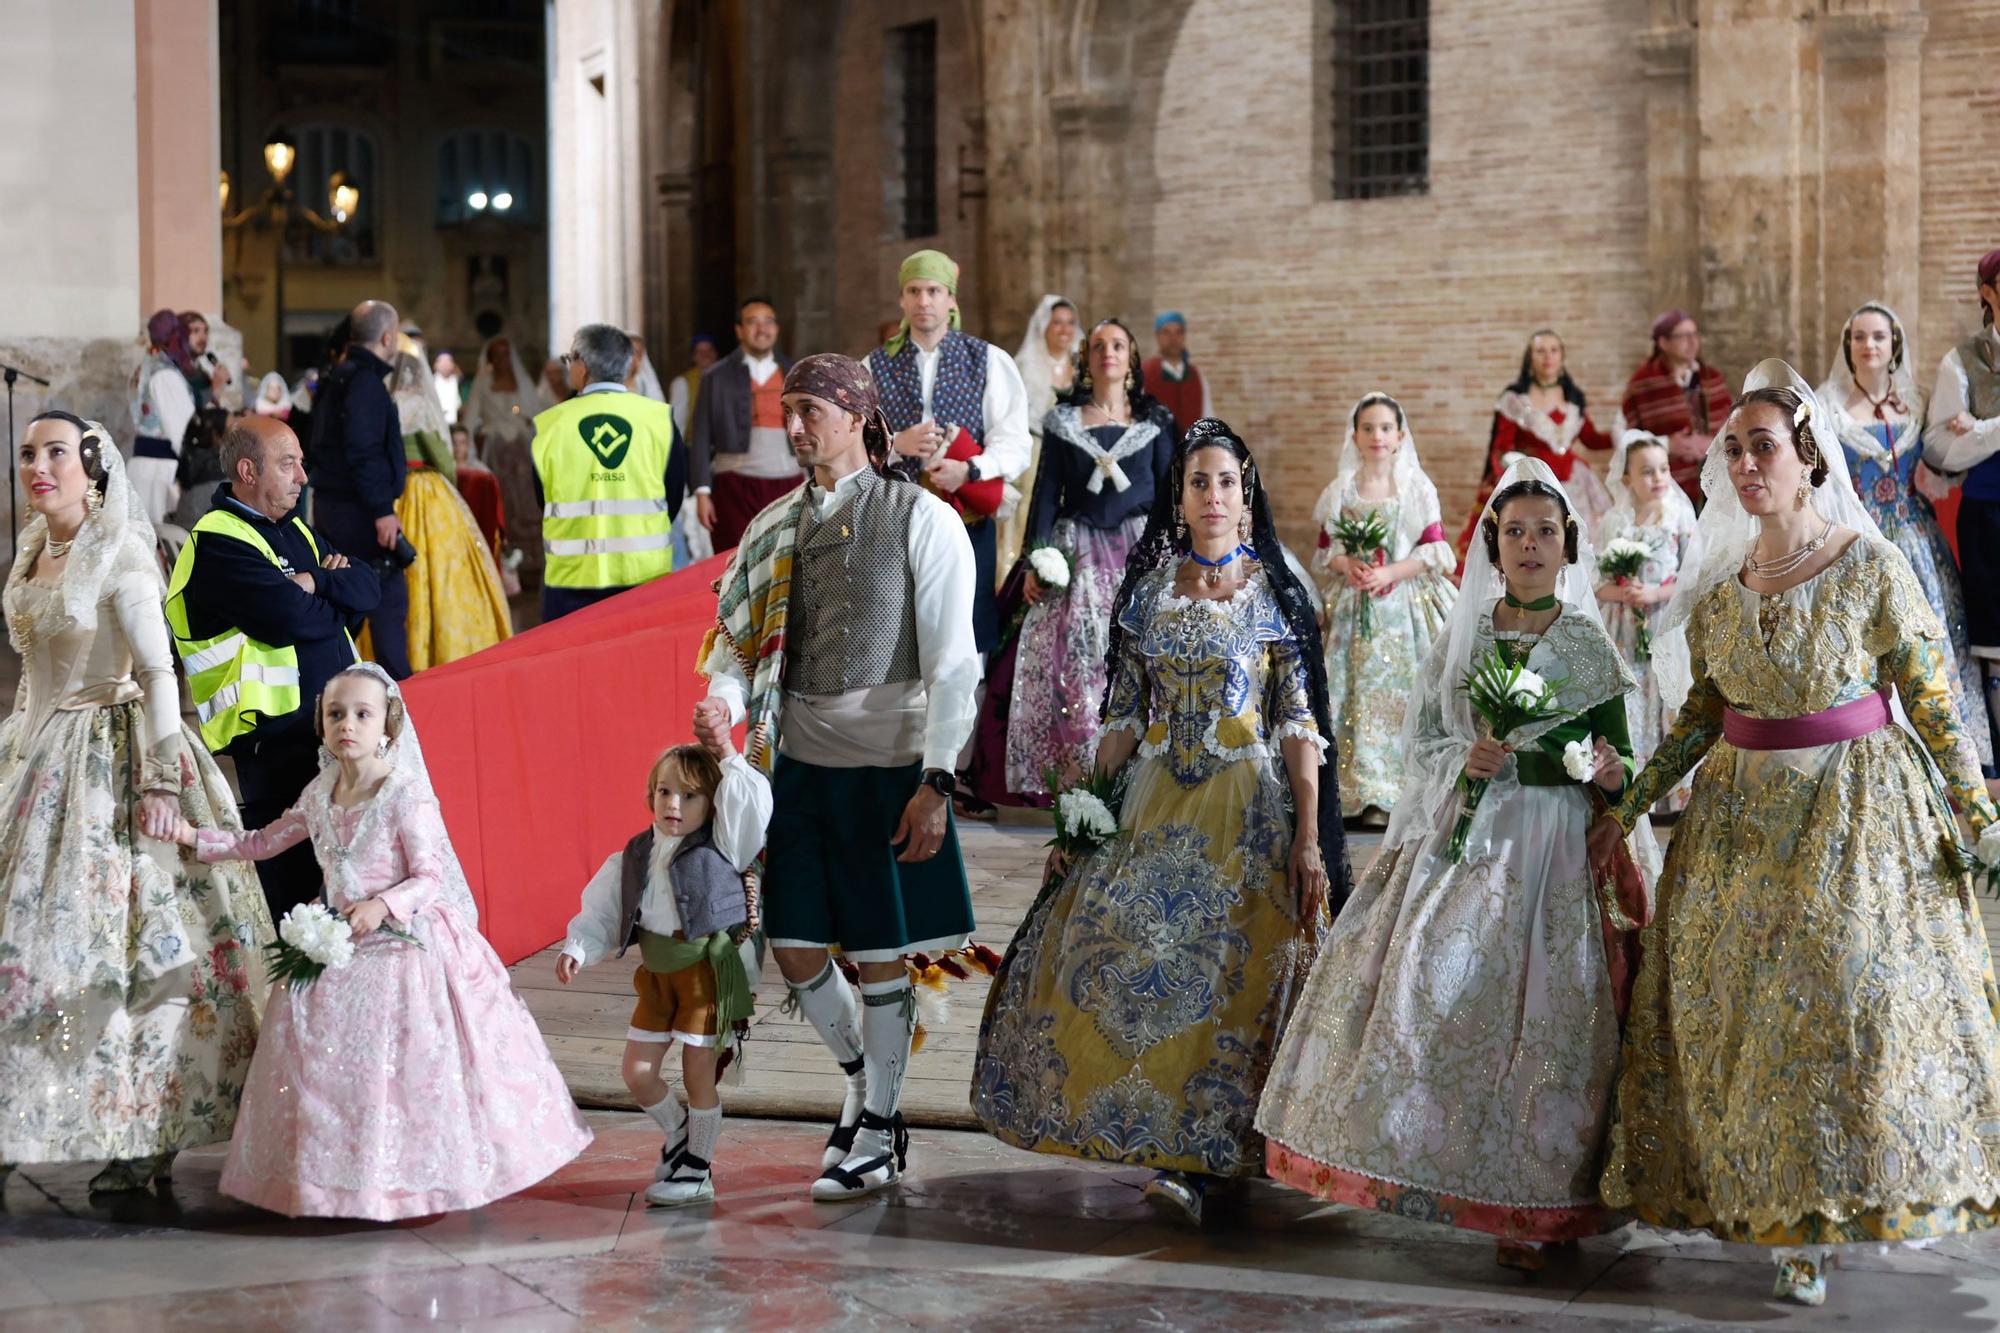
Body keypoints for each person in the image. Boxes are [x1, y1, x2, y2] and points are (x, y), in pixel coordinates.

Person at [1586, 360, 2000, 1307]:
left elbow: (1933, 705)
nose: (1742, 464)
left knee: (1836, 1004)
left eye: (1761, 446)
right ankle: (1772, 1210)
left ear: (1809, 456)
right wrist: (1630, 801)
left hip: (1854, 812)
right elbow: (1699, 714)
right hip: (1736, 823)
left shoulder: (1871, 564)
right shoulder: (1726, 594)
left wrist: (1982, 817)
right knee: (1742, 1018)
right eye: (1732, 449)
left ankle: (1823, 1209)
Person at [1259, 458, 1653, 1270]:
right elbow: (1425, 745)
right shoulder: (1464, 638)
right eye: (1515, 532)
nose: (1531, 544)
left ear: (1568, 545)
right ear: (1493, 546)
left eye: (1546, 531)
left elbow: (1624, 757)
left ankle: (1538, 1209)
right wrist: (1461, 764)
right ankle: (1448, 1171)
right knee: (1440, 995)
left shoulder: (1586, 642)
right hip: (1473, 840)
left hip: (1559, 853)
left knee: (1551, 1023)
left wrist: (1611, 775)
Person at [971, 418, 1344, 1228]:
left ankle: (1208, 1160)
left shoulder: (1279, 592)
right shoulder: (1148, 591)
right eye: (1199, 482)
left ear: (1248, 500)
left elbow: (1300, 724)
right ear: (1178, 498)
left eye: (1228, 483)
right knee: (1124, 963)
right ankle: (1157, 1140)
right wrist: (1083, 820)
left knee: (1225, 981)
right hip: (1149, 803)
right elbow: (1122, 713)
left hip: (1245, 812)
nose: (1214, 496)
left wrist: (1310, 839)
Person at [697, 353, 979, 1201]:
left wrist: (938, 780)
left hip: (890, 767)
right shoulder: (772, 526)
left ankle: (884, 1123)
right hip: (794, 769)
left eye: (811, 409)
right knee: (791, 945)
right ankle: (863, 1081)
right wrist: (721, 706)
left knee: (882, 953)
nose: (793, 426)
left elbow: (955, 663)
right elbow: (731, 642)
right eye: (789, 410)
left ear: (858, 416)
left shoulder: (921, 518)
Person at [175, 664, 591, 1219]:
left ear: (387, 728)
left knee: (402, 1061)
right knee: (317, 1048)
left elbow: (429, 876)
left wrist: (382, 904)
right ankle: (336, 1178)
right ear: (322, 726)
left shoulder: (403, 794)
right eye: (336, 714)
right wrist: (194, 838)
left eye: (362, 715)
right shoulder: (320, 792)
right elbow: (264, 841)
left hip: (405, 942)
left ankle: (405, 1179)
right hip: (339, 943)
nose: (348, 724)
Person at [0, 410, 273, 1194]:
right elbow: (34, 667)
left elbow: (159, 673)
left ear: (94, 467)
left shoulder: (120, 549)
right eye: (28, 454)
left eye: (56, 453)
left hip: (117, 759)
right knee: (34, 953)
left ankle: (146, 1132)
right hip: (42, 752)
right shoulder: (32, 551)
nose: (38, 466)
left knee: (142, 953)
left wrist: (160, 784)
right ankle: (26, 1110)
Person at [166, 415, 379, 917]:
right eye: (288, 464)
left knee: (347, 886)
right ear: (247, 470)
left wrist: (314, 582)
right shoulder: (218, 541)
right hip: (275, 747)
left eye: (300, 463)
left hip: (330, 736)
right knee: (296, 902)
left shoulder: (297, 531)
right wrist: (324, 593)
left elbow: (367, 589)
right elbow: (287, 618)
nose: (302, 477)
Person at [963, 317, 1176, 808]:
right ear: (1087, 358)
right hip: (1075, 546)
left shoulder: (1155, 420)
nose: (1108, 353)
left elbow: (1170, 490)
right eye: (1098, 345)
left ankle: (1138, 770)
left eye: (1118, 345)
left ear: (1131, 357)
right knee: (1068, 657)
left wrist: (1173, 556)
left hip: (1137, 548)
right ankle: (1072, 770)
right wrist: (1039, 559)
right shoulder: (1064, 420)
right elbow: (1045, 494)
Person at [558, 739, 771, 1208]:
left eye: (690, 796)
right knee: (636, 1072)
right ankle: (680, 1132)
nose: (674, 804)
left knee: (699, 1076)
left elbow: (753, 807)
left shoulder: (724, 848)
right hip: (656, 979)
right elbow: (603, 908)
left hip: (703, 977)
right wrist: (580, 945)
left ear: (712, 804)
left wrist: (731, 757)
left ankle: (699, 1167)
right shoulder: (634, 855)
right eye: (664, 792)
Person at [1822, 302, 1988, 770]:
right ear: (1847, 345)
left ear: (1895, 343)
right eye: (1859, 337)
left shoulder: (1917, 400)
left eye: (1878, 336)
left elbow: (1943, 458)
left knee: (1927, 643)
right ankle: (1870, 758)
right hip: (1856, 543)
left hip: (1914, 536)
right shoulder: (1828, 404)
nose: (1868, 345)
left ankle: (1947, 758)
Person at [868, 249, 1032, 653]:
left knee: (968, 624)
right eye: (915, 290)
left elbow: (1015, 442)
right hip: (897, 517)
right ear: (902, 300)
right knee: (900, 624)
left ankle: (968, 714)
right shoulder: (873, 366)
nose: (924, 300)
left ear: (951, 299)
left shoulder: (988, 360)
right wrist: (893, 445)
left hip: (966, 514)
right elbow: (851, 442)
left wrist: (971, 470)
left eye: (934, 291)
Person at [1312, 393, 1457, 825]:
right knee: (1350, 691)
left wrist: (1391, 571)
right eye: (1368, 428)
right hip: (1354, 609)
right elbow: (1326, 553)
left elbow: (1435, 549)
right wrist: (1348, 564)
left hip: (1404, 606)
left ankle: (1400, 792)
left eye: (1385, 428)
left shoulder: (1415, 486)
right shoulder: (1340, 489)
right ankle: (1356, 792)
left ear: (1400, 436)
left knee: (1402, 694)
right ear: (1354, 436)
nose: (1377, 436)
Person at [531, 324, 682, 622]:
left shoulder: (550, 425)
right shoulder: (659, 420)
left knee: (572, 665)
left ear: (582, 366)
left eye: (569, 359)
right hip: (644, 573)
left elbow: (543, 497)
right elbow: (673, 495)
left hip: (572, 577)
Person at [1596, 430, 1702, 814]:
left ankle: (1673, 795)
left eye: (1663, 469)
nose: (1658, 478)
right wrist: (1623, 593)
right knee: (1632, 704)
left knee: (1670, 701)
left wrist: (1656, 594)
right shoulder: (1615, 521)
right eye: (1646, 472)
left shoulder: (1677, 515)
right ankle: (1633, 788)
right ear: (1627, 480)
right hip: (1625, 629)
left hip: (1666, 623)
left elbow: (1694, 573)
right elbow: (1597, 581)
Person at [1923, 249, 2000, 769]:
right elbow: (1939, 449)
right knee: (1996, 646)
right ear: (1987, 293)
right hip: (1993, 518)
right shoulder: (1962, 361)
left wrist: (1983, 430)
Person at [307, 299, 412, 679]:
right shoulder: (365, 383)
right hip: (362, 514)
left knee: (347, 606)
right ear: (387, 336)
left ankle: (332, 691)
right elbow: (364, 450)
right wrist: (382, 509)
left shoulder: (337, 376)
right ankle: (401, 701)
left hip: (334, 508)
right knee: (387, 607)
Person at [387, 351, 511, 668]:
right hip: (425, 490)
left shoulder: (386, 401)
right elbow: (442, 457)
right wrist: (450, 481)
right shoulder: (419, 405)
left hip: (393, 491)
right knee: (441, 565)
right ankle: (441, 645)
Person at [1454, 330, 1615, 564]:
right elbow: (1502, 448)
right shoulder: (1515, 399)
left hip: (1575, 483)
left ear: (1562, 356)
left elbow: (1590, 439)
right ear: (1530, 357)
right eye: (1540, 351)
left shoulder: (1574, 398)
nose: (1547, 356)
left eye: (1554, 350)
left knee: (1580, 548)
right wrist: (1513, 485)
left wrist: (1622, 434)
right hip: (1534, 483)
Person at [690, 297, 798, 552]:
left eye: (768, 321)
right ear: (739, 330)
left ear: (777, 328)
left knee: (788, 563)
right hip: (733, 486)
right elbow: (702, 434)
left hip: (789, 482)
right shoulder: (715, 376)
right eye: (753, 322)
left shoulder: (795, 372)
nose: (762, 329)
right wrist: (702, 491)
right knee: (734, 561)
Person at [998, 294, 1080, 574]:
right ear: (1044, 325)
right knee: (1030, 515)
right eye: (1057, 323)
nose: (1064, 330)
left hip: (1076, 453)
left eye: (1070, 323)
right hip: (1036, 451)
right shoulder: (1024, 366)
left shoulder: (1082, 365)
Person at [1618, 310, 1734, 505]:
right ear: (1663, 342)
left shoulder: (1712, 378)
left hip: (1717, 474)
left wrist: (1711, 443)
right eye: (1684, 336)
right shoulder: (1643, 384)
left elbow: (1732, 423)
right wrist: (1668, 444)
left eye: (1695, 334)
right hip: (1667, 480)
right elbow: (1627, 438)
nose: (1692, 342)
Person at [462, 335, 550, 589]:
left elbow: (537, 414)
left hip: (522, 453)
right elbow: (471, 419)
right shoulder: (483, 385)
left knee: (527, 503)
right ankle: (505, 562)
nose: (502, 360)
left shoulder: (522, 384)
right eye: (496, 355)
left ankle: (531, 564)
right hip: (497, 454)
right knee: (505, 503)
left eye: (505, 354)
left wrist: (523, 421)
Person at [130, 308, 198, 527]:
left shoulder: (144, 367)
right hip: (161, 473)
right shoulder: (165, 374)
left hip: (141, 467)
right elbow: (184, 431)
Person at [1140, 311, 1213, 434]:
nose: (1173, 338)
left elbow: (1207, 415)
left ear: (1184, 336)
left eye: (1178, 332)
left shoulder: (1196, 375)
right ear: (1158, 336)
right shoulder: (1144, 374)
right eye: (1166, 332)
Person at [168, 404, 230, 532]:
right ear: (216, 435)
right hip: (201, 542)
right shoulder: (222, 473)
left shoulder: (190, 461)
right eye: (231, 430)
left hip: (179, 536)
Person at [180, 311, 236, 410]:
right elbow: (187, 407)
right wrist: (215, 387)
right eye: (195, 331)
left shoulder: (199, 369)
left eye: (205, 331)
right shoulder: (175, 369)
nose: (202, 337)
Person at [669, 333, 721, 439]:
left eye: (709, 350)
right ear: (694, 356)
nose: (705, 355)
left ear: (715, 353)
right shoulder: (682, 383)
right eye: (700, 352)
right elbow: (677, 422)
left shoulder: (728, 379)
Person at [432, 350, 464, 424]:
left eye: (448, 361)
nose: (445, 365)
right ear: (435, 365)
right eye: (442, 362)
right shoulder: (432, 382)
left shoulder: (457, 380)